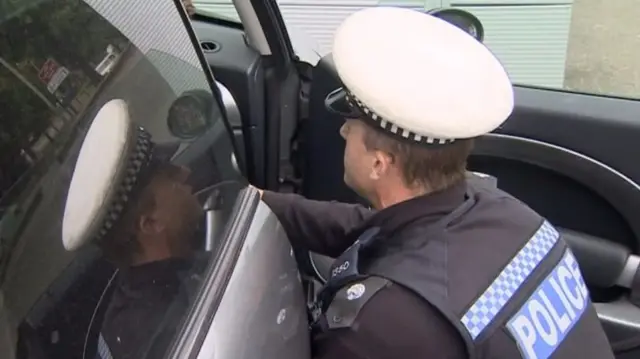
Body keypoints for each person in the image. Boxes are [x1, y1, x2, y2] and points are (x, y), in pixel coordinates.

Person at [257, 7, 615, 359]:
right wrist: (249, 199)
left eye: (352, 127)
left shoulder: (385, 325)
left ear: (380, 163)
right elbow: (368, 229)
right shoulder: (509, 217)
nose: (343, 129)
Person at [61, 99, 205, 359]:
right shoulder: (170, 327)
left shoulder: (128, 318)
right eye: (171, 176)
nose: (185, 172)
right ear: (150, 223)